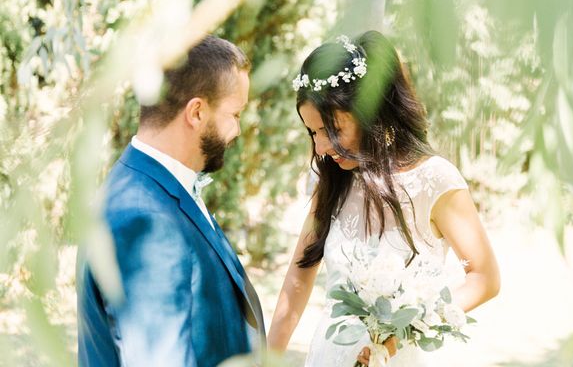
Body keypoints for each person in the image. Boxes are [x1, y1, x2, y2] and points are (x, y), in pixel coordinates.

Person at [267, 31, 500, 366]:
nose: (321, 148)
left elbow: (485, 278)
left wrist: (403, 331)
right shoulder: (330, 178)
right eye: (313, 132)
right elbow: (298, 278)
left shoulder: (434, 179)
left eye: (332, 130)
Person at [77, 36, 265, 366]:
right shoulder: (143, 220)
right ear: (196, 112)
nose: (237, 130)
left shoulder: (153, 187)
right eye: (235, 114)